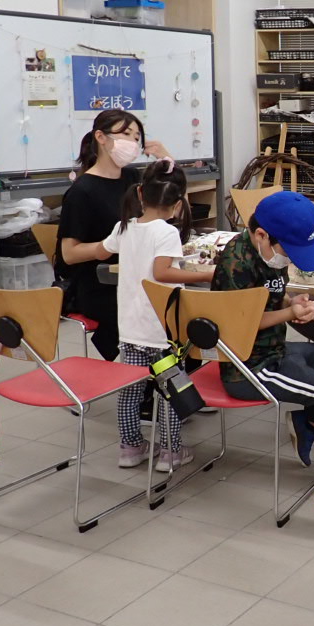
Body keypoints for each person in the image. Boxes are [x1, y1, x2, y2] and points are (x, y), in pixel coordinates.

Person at [213, 192, 314, 522]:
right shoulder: (236, 263)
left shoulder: (269, 253)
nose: (289, 258)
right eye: (289, 251)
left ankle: (307, 422)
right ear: (262, 235)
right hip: (249, 367)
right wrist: (289, 314)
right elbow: (240, 324)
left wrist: (292, 304)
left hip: (275, 352)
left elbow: (272, 297)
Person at [68, 160, 211, 471]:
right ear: (177, 204)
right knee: (171, 389)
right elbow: (163, 272)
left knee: (131, 390)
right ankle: (171, 451)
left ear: (141, 194)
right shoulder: (167, 232)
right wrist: (205, 274)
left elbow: (103, 251)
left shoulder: (124, 226)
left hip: (130, 328)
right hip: (161, 332)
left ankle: (130, 448)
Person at [56, 110, 169, 360]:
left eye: (137, 137)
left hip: (137, 274)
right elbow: (69, 254)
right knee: (157, 314)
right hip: (99, 284)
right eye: (126, 134)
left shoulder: (133, 178)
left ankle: (170, 375)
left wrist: (167, 160)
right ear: (101, 137)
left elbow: (170, 206)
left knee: (178, 307)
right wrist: (109, 245)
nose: (133, 142)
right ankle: (149, 374)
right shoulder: (82, 191)